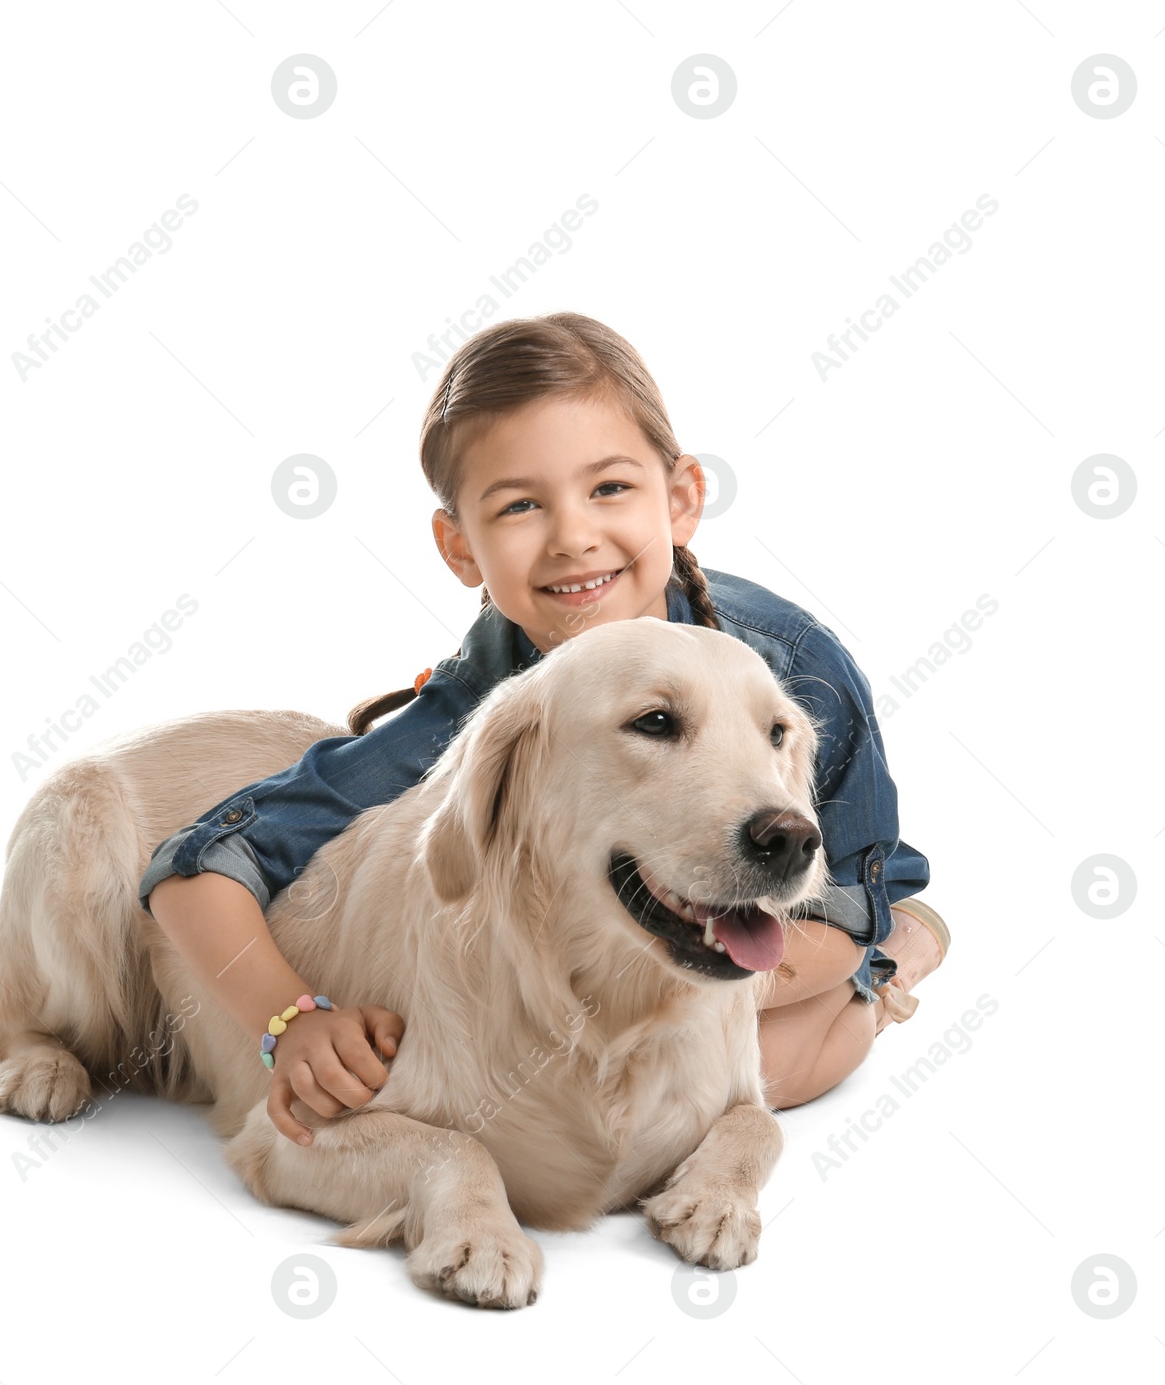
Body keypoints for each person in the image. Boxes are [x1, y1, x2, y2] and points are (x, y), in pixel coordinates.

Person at [139, 312, 948, 1149]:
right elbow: (200, 863)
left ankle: (910, 956)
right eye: (522, 505)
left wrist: (783, 964)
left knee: (765, 1069)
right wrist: (292, 1021)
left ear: (678, 501)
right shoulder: (486, 701)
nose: (572, 538)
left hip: (814, 918)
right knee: (560, 1093)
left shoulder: (793, 664)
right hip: (627, 925)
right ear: (461, 549)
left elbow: (843, 915)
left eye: (609, 489)